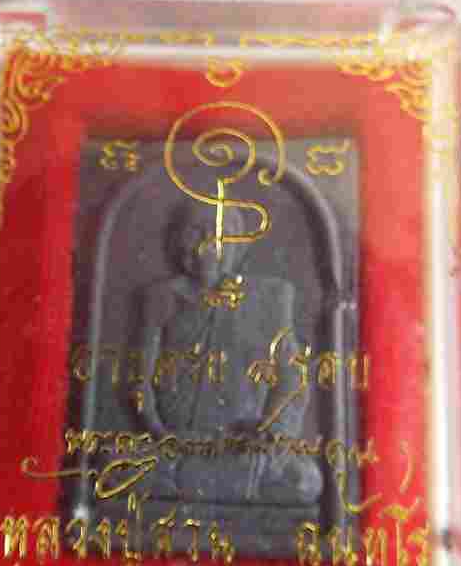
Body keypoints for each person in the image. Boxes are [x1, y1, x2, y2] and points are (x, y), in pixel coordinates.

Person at [135, 201, 323, 509]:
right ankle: (205, 480)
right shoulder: (161, 297)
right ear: (178, 242)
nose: (208, 243)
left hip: (243, 449)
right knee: (113, 467)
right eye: (196, 231)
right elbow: (139, 382)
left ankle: (206, 481)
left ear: (239, 246)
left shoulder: (270, 298)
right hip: (174, 449)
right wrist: (160, 433)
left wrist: (272, 433)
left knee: (304, 481)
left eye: (221, 234)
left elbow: (293, 378)